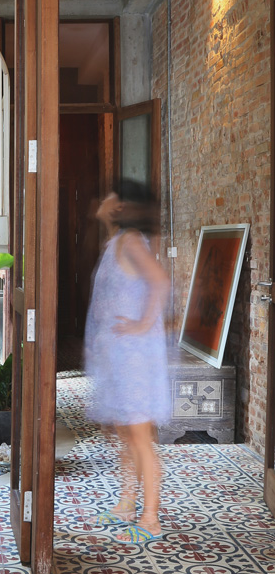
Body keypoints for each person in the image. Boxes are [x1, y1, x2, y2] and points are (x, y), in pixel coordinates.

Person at [84, 180, 170, 543]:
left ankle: (150, 519)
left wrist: (142, 324)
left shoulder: (131, 240)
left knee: (139, 435)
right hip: (117, 355)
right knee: (124, 432)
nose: (102, 199)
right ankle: (126, 503)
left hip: (134, 356)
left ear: (119, 206)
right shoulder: (115, 242)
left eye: (109, 195)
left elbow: (160, 282)